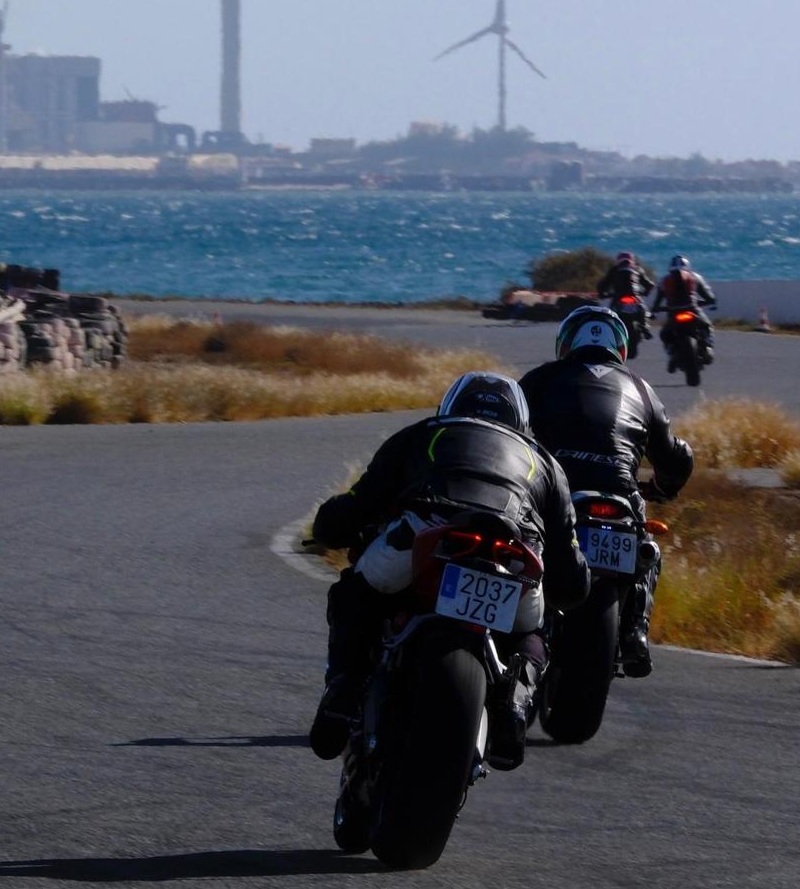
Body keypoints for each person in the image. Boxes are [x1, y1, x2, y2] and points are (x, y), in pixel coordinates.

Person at [307, 371, 589, 770]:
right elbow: (572, 573)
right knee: (537, 628)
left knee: (353, 591)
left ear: (451, 406)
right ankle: (514, 705)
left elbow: (358, 503)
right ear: (521, 421)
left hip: (428, 534)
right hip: (513, 556)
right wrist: (569, 586)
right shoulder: (547, 465)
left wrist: (328, 527)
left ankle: (344, 689)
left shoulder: (422, 433)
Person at [518, 306, 694, 677]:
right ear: (621, 347)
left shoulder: (540, 379)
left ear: (566, 343)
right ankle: (635, 631)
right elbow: (677, 456)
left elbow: (507, 432)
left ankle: (519, 617)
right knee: (649, 549)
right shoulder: (643, 390)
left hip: (559, 487)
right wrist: (663, 487)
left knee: (522, 535)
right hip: (619, 491)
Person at [650, 254, 718, 367]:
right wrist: (710, 301)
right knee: (707, 327)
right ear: (687, 266)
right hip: (693, 310)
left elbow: (657, 301)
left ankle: (671, 353)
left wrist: (654, 310)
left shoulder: (664, 280)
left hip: (674, 313)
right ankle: (708, 347)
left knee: (665, 333)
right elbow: (709, 296)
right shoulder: (695, 277)